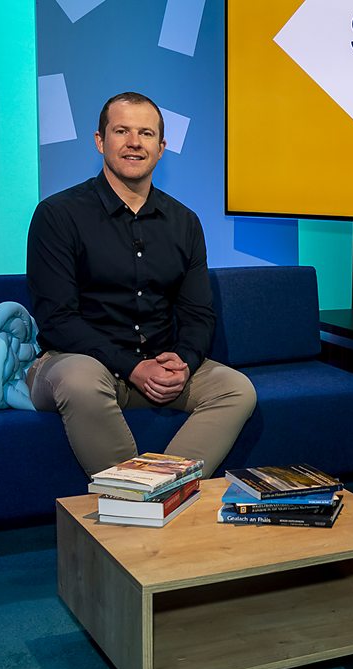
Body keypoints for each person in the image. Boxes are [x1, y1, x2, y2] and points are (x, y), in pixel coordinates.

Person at [26, 91, 257, 477]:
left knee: (236, 388)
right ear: (100, 141)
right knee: (81, 381)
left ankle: (158, 489)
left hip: (156, 364)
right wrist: (133, 367)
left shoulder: (184, 222)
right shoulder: (57, 214)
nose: (134, 142)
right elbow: (57, 319)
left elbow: (198, 315)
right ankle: (134, 497)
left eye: (146, 133)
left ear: (161, 148)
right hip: (78, 363)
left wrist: (183, 361)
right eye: (122, 131)